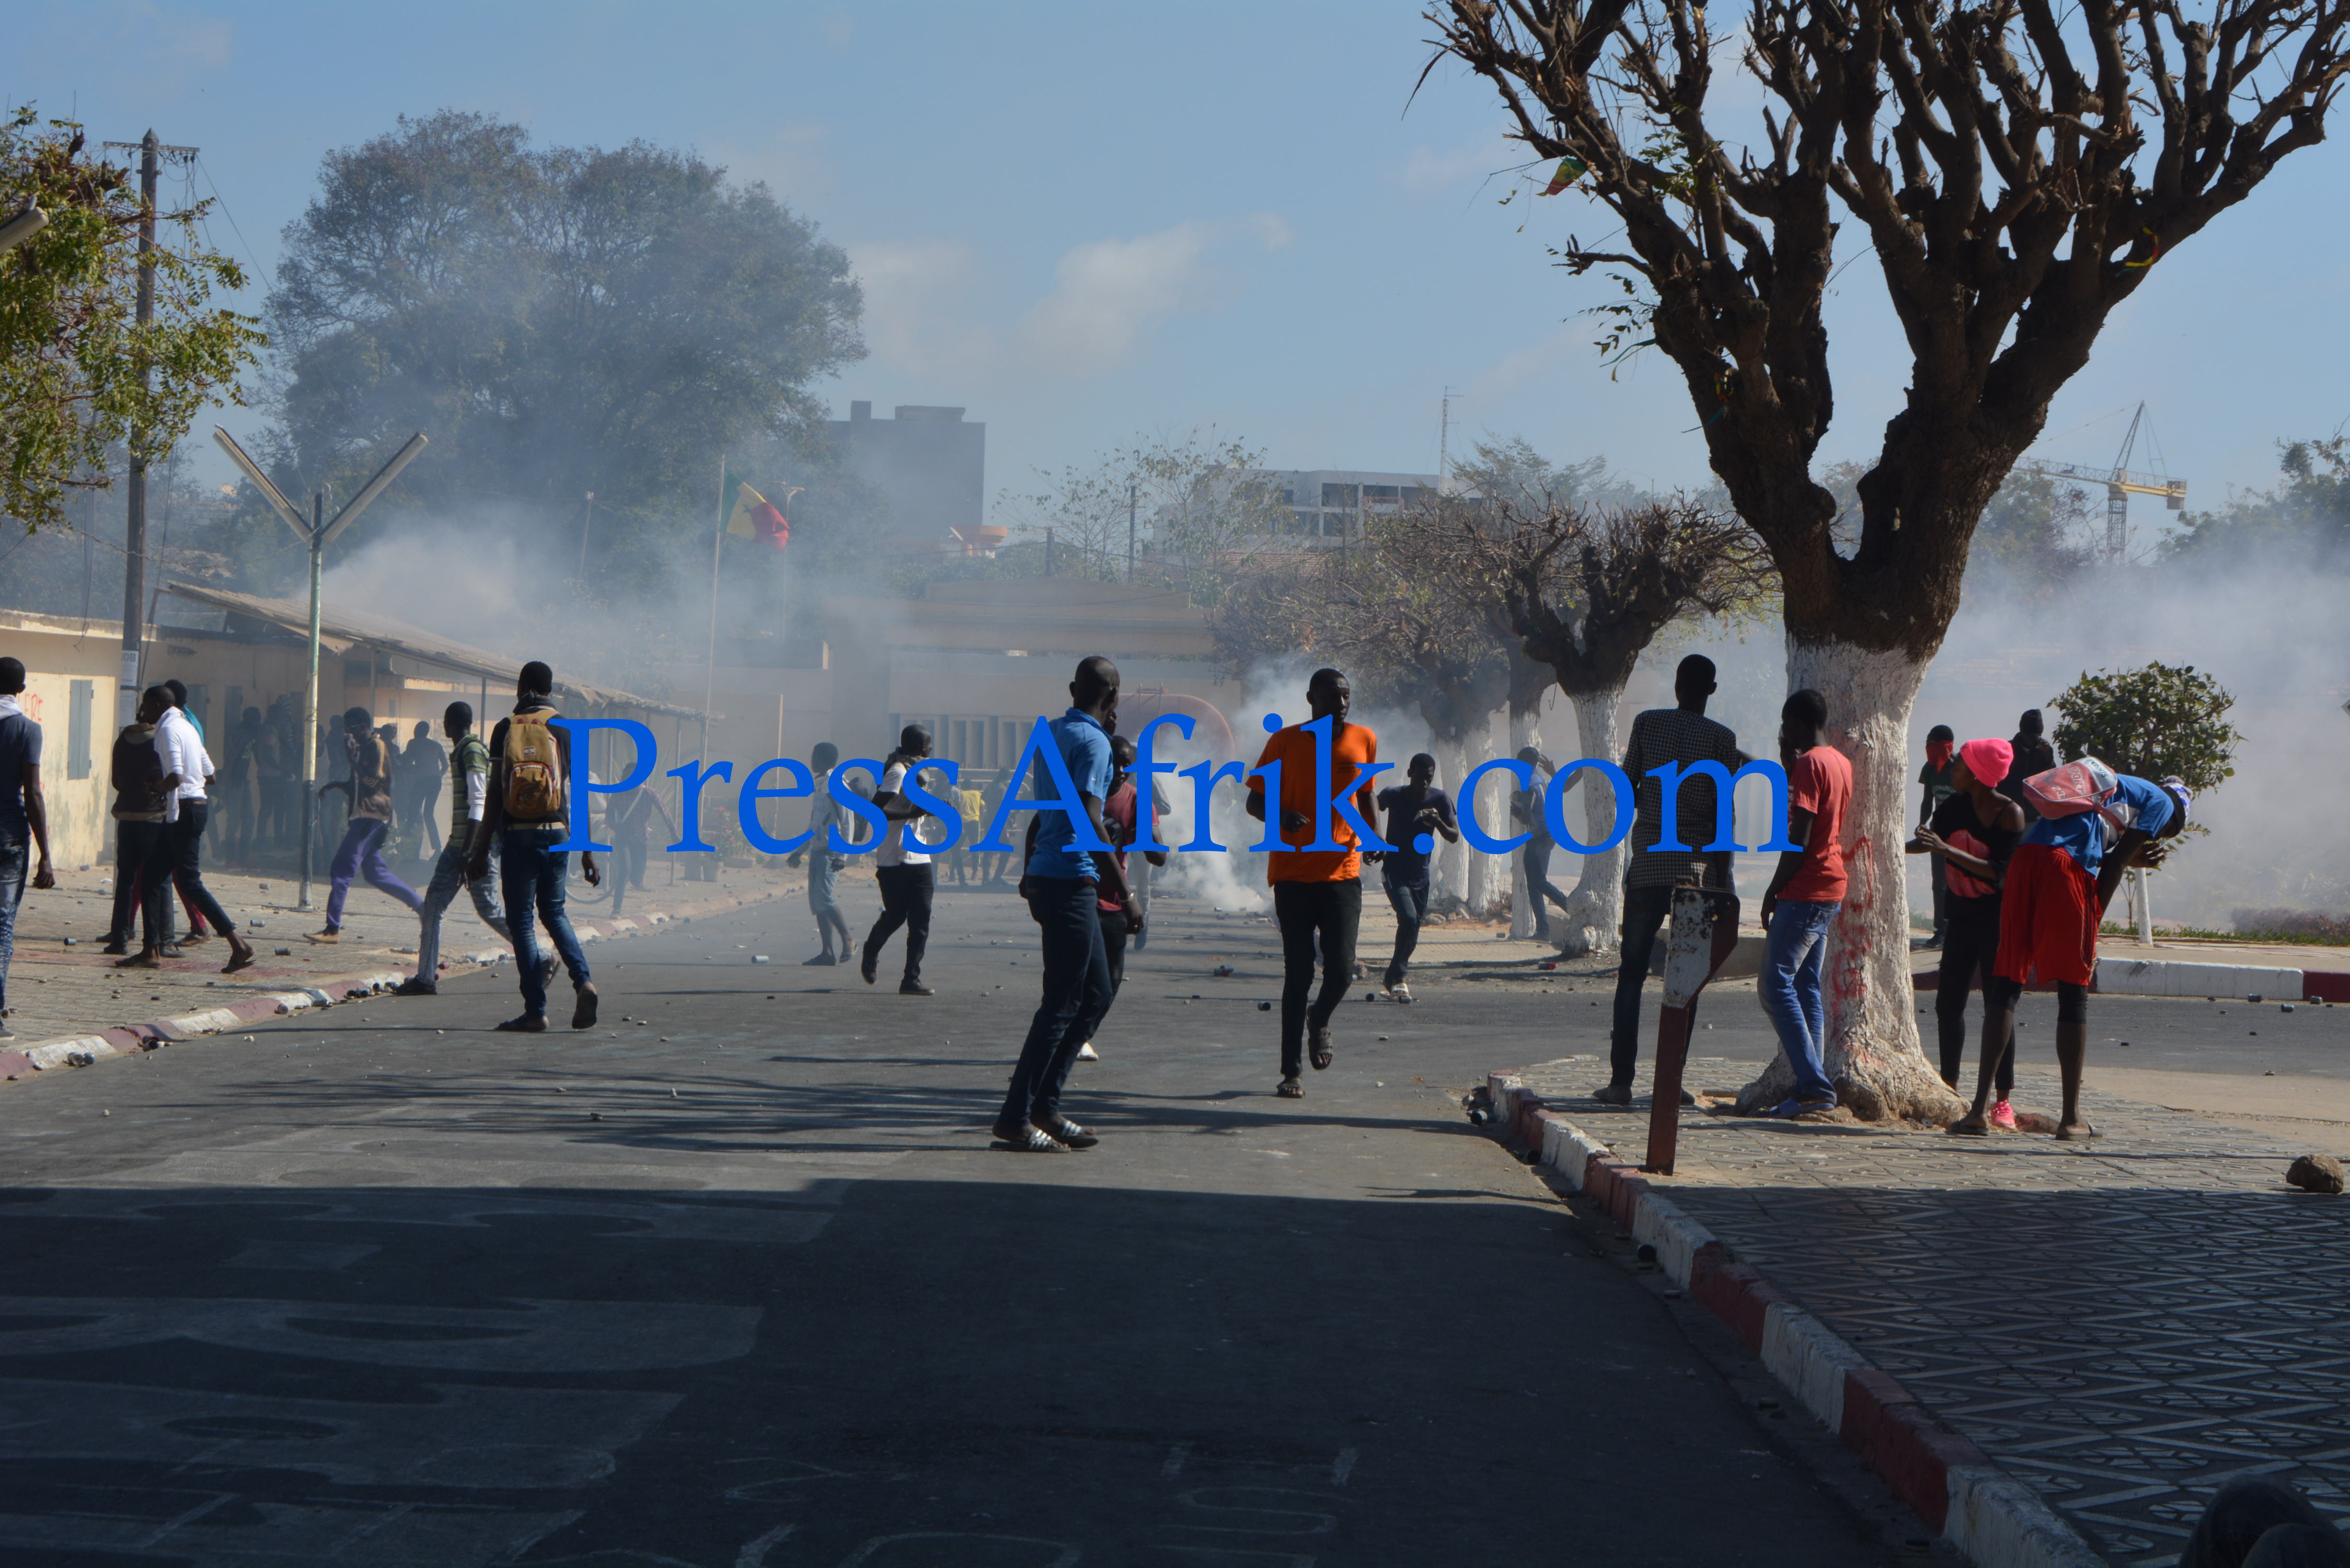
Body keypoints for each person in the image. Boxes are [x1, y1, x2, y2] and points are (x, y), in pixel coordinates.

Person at [1953, 760, 2187, 1138]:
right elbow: (2109, 870)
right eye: (2168, 832)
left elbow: (2100, 846)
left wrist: (2127, 856)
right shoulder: (2161, 803)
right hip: (2066, 871)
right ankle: (2071, 1119)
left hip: (2026, 860)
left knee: (2006, 984)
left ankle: (1978, 1112)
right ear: (2176, 815)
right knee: (2074, 992)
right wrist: (2092, 923)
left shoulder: (2106, 790)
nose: (2161, 835)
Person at [995, 655, 1138, 1152]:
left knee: (1095, 993)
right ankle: (1016, 1117)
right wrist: (1126, 893)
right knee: (1061, 1004)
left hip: (1046, 875)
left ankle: (1045, 1108)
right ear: (1114, 696)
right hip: (1070, 881)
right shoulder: (1096, 743)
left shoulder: (1052, 731)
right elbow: (1090, 820)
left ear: (1073, 688)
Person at [1597, 654, 1744, 1106]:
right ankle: (1670, 1081)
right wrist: (1726, 883)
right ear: (1711, 691)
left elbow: (1625, 789)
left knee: (1632, 976)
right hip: (1696, 876)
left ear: (1677, 686)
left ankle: (1621, 1082)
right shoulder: (1722, 740)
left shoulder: (1646, 723)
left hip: (1647, 869)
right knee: (1685, 979)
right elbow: (1724, 819)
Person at [1248, 666, 1380, 1099]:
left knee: (1341, 970)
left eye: (1346, 696)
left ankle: (1319, 1018)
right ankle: (1291, 1071)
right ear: (1311, 700)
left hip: (1343, 873)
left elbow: (1365, 795)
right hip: (1293, 876)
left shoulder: (1364, 739)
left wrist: (1375, 836)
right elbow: (1254, 801)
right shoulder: (1284, 742)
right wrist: (1281, 818)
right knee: (1299, 971)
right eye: (1331, 697)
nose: (1341, 704)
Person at [465, 662, 601, 1032]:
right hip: (559, 832)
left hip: (519, 834)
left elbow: (494, 794)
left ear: (521, 688)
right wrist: (587, 851)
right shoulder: (568, 728)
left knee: (522, 921)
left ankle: (535, 1010)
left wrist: (479, 851)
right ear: (551, 690)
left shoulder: (506, 729)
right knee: (555, 913)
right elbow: (582, 794)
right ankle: (583, 981)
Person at [1907, 737, 2025, 1126]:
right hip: (1960, 917)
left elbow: (1999, 874)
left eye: (1959, 765)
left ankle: (2002, 1100)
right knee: (1948, 1005)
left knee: (1998, 1008)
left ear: (1977, 774)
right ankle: (1951, 1086)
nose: (1952, 769)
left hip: (1996, 920)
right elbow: (1928, 844)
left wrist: (1947, 851)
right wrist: (1888, 844)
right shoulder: (1954, 806)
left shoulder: (2010, 814)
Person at [1755, 689, 1852, 1118]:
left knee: (1774, 984)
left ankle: (1814, 1086)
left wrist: (1774, 889)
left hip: (1806, 888)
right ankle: (1812, 1083)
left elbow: (1798, 837)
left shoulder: (1811, 764)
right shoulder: (1837, 761)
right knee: (1805, 986)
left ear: (1796, 720)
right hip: (1830, 885)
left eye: (1784, 722)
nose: (1783, 730)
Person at [118, 684, 255, 974]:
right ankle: (150, 950)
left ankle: (238, 944)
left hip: (184, 811)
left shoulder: (167, 730)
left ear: (157, 706)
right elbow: (211, 775)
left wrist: (155, 787)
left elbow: (176, 777)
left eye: (146, 704)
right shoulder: (188, 727)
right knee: (152, 877)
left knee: (190, 881)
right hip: (192, 808)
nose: (142, 711)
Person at [395, 702, 514, 996]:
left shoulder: (471, 751)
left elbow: (478, 801)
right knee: (435, 904)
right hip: (463, 843)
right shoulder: (468, 749)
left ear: (448, 723)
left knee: (488, 908)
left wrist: (470, 851)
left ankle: (539, 954)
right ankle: (425, 977)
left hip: (468, 845)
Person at [1070, 734, 1167, 1062]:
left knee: (1110, 982)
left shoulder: (1138, 800)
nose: (1123, 770)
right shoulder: (1083, 796)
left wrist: (1150, 838)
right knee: (1075, 975)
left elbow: (1158, 855)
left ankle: (1079, 1034)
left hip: (1115, 898)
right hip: (1079, 894)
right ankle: (1072, 1038)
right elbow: (1040, 824)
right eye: (1117, 763)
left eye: (1128, 764)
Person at [307, 707, 423, 942]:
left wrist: (353, 759)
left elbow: (373, 780)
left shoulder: (376, 746)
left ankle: (332, 929)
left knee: (341, 870)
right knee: (375, 873)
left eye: (349, 730)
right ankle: (422, 907)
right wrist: (335, 786)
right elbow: (356, 784)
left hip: (372, 817)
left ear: (361, 727)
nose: (347, 736)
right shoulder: (362, 748)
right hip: (365, 816)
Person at [0, 658, 57, 1040]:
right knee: (3, 925)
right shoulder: (27, 730)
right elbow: (33, 792)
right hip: (9, 837)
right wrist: (46, 855)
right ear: (22, 690)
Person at [862, 723, 942, 996]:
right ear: (921, 747)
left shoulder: (919, 774)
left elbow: (915, 809)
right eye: (929, 746)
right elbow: (875, 811)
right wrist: (915, 815)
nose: (931, 751)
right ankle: (871, 950)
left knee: (921, 920)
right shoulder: (898, 772)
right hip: (893, 858)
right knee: (896, 916)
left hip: (919, 857)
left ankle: (911, 979)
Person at [1374, 752, 1458, 1002]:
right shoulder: (1394, 795)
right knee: (1409, 918)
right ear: (1410, 774)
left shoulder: (1439, 799)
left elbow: (1453, 836)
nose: (1424, 783)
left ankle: (1391, 976)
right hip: (1394, 870)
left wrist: (1437, 821)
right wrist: (1375, 840)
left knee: (1413, 928)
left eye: (1428, 778)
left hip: (1421, 874)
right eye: (1419, 777)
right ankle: (1400, 978)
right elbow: (1369, 809)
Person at [101, 700, 169, 955]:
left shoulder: (122, 740)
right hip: (154, 816)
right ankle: (162, 941)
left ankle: (119, 939)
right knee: (157, 881)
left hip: (126, 815)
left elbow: (117, 781)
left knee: (125, 880)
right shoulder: (160, 739)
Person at [787, 742, 860, 965]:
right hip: (818, 850)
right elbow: (815, 824)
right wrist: (799, 852)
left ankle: (849, 939)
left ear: (825, 760)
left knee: (824, 897)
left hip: (831, 852)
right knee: (817, 903)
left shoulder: (837, 785)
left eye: (815, 757)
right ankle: (827, 952)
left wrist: (842, 856)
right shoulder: (820, 785)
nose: (812, 761)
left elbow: (848, 823)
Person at [1509, 746, 1574, 942]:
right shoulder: (1541, 781)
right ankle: (1543, 930)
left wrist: (1516, 812)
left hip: (1540, 836)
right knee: (1535, 883)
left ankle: (1571, 908)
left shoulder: (1529, 785)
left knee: (1538, 882)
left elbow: (1526, 816)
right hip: (1547, 835)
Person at [1915, 724, 1959, 947]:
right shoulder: (1929, 769)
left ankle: (1957, 929)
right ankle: (1940, 930)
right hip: (1937, 831)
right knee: (1939, 882)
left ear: (1945, 746)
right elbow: (1927, 800)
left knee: (1958, 882)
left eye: (1932, 743)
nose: (1928, 747)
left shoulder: (1961, 767)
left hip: (1961, 835)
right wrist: (1922, 824)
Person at [1999, 709, 2057, 823]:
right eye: (2030, 736)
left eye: (2038, 736)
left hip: (2035, 817)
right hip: (2009, 815)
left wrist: (2048, 758)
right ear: (2022, 732)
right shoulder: (2007, 750)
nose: (2034, 740)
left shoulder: (2044, 751)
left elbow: (2052, 778)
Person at [404, 719, 447, 860]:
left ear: (417, 731)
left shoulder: (413, 743)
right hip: (435, 781)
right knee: (429, 814)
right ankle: (438, 849)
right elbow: (445, 765)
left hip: (421, 781)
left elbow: (407, 762)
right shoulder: (436, 745)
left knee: (413, 812)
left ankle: (409, 847)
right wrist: (438, 775)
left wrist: (412, 772)